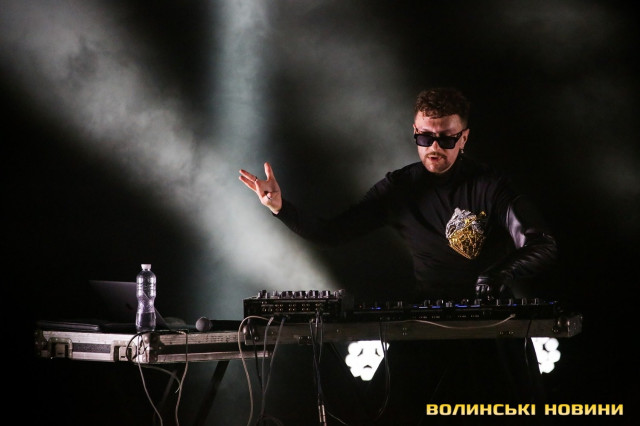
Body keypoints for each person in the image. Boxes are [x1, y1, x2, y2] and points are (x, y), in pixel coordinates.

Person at [239, 87, 558, 425]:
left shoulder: (490, 186)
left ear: (464, 138)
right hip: (425, 322)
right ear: (415, 132)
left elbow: (541, 243)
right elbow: (333, 233)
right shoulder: (400, 187)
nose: (434, 147)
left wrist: (497, 275)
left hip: (492, 325)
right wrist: (280, 208)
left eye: (446, 139)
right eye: (425, 137)